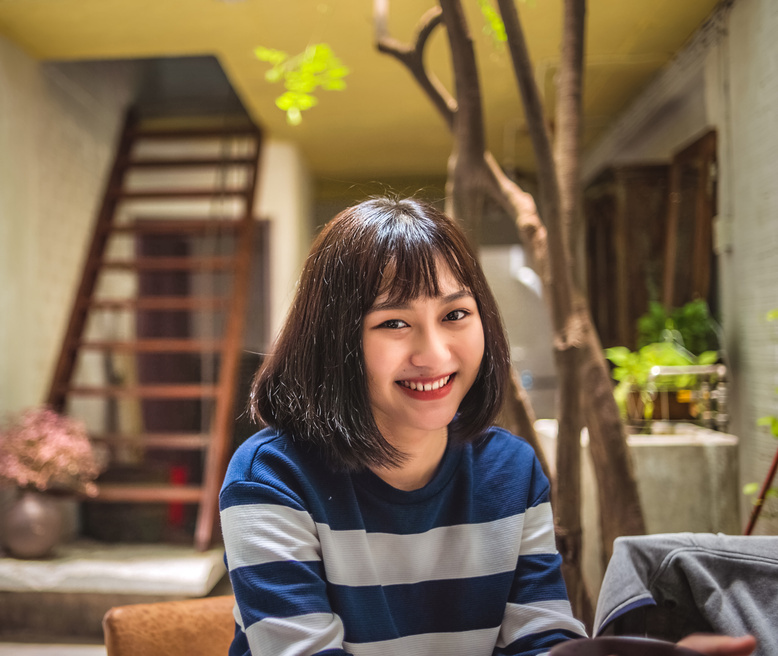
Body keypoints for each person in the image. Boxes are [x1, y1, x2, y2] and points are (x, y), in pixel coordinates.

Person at [219, 197, 755, 656]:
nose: (435, 353)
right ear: (334, 342)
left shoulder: (511, 470)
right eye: (394, 323)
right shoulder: (271, 479)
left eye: (455, 315)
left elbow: (538, 641)